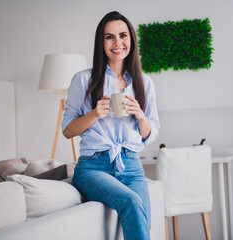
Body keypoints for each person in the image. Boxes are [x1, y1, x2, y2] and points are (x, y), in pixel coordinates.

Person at [61, 11, 160, 240]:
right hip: (93, 167)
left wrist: (140, 116)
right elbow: (68, 130)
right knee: (132, 202)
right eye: (109, 37)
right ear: (101, 42)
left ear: (131, 40)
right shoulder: (83, 80)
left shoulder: (144, 83)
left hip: (131, 166)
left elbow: (150, 132)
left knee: (144, 220)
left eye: (123, 35)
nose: (118, 43)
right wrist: (94, 114)